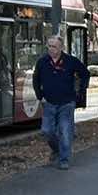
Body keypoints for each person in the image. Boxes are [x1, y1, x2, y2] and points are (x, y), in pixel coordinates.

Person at [31, 34, 90, 170]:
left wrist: (80, 91)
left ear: (61, 47)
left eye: (54, 47)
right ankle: (57, 149)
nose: (51, 49)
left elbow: (85, 74)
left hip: (67, 103)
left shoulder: (71, 61)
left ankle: (64, 159)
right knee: (47, 130)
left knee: (65, 131)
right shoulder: (42, 62)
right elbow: (36, 79)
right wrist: (40, 96)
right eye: (49, 46)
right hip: (49, 102)